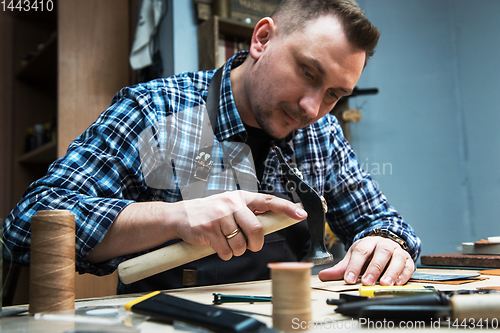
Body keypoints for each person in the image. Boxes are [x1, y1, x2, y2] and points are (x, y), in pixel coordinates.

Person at [3, 0, 421, 293]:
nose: (313, 107)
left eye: (334, 94)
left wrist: (386, 243)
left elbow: (385, 221)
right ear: (261, 39)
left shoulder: (321, 133)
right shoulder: (156, 112)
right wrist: (174, 217)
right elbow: (25, 227)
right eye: (308, 71)